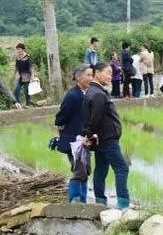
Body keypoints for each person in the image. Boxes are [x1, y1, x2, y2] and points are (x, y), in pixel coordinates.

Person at [83, 62, 130, 210]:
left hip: (100, 138)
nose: (111, 76)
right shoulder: (97, 94)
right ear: (97, 73)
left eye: (111, 73)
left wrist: (89, 135)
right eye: (108, 73)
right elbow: (95, 118)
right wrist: (89, 134)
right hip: (107, 138)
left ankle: (100, 201)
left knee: (101, 169)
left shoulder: (93, 91)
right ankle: (123, 203)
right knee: (122, 168)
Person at [55, 64, 94, 203]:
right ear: (79, 77)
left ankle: (83, 200)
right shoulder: (72, 95)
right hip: (74, 141)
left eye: (92, 75)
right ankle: (74, 201)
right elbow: (60, 117)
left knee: (86, 171)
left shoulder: (86, 94)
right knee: (79, 171)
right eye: (88, 75)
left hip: (85, 140)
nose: (91, 78)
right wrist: (61, 133)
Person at [13, 43, 33, 107]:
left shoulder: (27, 57)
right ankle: (17, 103)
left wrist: (32, 76)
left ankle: (28, 104)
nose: (18, 50)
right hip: (19, 76)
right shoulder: (17, 57)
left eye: (19, 49)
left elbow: (31, 68)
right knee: (16, 89)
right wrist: (13, 75)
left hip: (27, 76)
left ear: (23, 49)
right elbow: (16, 67)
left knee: (26, 90)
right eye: (17, 49)